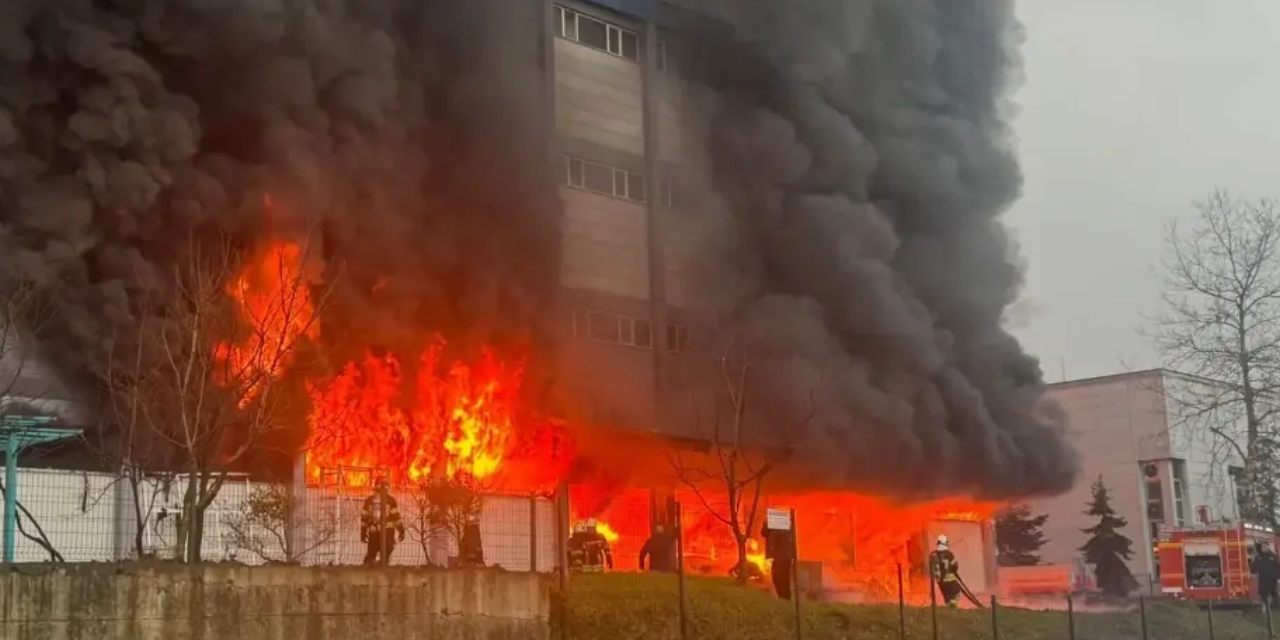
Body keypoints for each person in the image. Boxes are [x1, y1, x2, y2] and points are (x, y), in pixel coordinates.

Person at [360, 478, 405, 567]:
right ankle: (379, 566)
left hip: (375, 532)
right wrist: (401, 530)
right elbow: (395, 516)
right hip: (387, 532)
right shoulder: (390, 500)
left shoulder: (370, 500)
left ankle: (369, 568)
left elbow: (364, 517)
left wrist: (363, 531)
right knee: (385, 552)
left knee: (372, 553)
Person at [761, 522, 795, 600]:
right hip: (785, 554)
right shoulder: (788, 521)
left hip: (780, 554)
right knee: (783, 577)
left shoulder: (774, 521)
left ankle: (784, 597)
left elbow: (763, 533)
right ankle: (785, 597)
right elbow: (764, 533)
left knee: (778, 576)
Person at [929, 535, 962, 607]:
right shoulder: (949, 554)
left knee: (947, 597)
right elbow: (955, 567)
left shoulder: (932, 554)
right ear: (946, 543)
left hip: (939, 582)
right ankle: (952, 606)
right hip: (949, 580)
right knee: (957, 591)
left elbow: (931, 568)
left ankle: (948, 606)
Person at [1252, 542, 1280, 609]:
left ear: (1268, 547)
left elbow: (1278, 567)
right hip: (1263, 579)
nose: (1263, 548)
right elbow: (1255, 565)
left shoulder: (1273, 556)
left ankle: (1277, 607)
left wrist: (1278, 578)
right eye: (1262, 547)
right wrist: (1253, 572)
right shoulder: (1258, 557)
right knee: (1263, 595)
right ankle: (1265, 608)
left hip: (1272, 579)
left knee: (1274, 594)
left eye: (1265, 546)